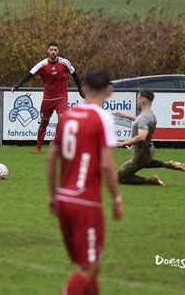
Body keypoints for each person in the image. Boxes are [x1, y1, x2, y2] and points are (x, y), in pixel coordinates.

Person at [46, 70, 123, 294]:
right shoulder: (103, 117)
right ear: (110, 91)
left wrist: (52, 196)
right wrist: (117, 198)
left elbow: (51, 158)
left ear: (84, 89)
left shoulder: (68, 116)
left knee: (89, 265)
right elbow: (107, 165)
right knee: (89, 266)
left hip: (64, 200)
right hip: (86, 203)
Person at [12, 41, 83, 153]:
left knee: (63, 119)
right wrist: (17, 86)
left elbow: (76, 76)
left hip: (61, 97)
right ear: (47, 51)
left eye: (55, 50)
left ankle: (57, 144)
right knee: (44, 122)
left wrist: (80, 90)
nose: (53, 52)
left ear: (58, 51)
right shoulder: (42, 65)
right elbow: (29, 75)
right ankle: (38, 147)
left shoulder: (65, 63)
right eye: (51, 50)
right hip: (48, 99)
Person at [116, 89, 185, 186]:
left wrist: (123, 143)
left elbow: (141, 136)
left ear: (142, 101)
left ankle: (151, 180)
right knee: (144, 162)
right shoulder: (151, 115)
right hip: (149, 150)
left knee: (117, 177)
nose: (137, 102)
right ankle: (168, 164)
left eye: (137, 99)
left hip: (140, 155)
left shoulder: (143, 118)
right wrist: (125, 116)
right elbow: (140, 121)